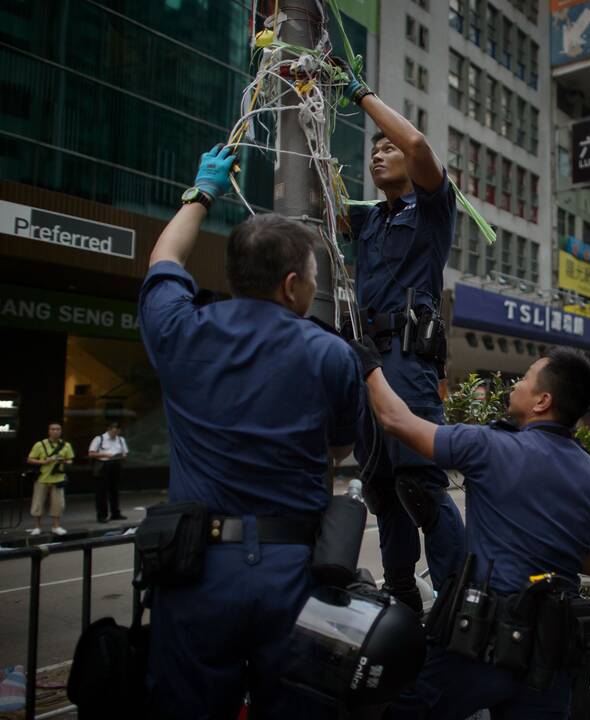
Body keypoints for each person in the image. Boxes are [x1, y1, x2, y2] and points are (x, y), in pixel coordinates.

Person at [137, 145, 363, 719]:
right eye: (313, 279)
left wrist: (202, 189)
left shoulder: (178, 331)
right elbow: (337, 449)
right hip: (291, 573)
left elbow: (164, 258)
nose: (314, 289)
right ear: (292, 286)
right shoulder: (332, 356)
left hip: (194, 571)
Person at [354, 338, 590, 718]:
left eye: (526, 379)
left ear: (542, 401)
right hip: (550, 655)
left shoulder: (488, 446)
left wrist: (368, 364)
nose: (515, 384)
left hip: (476, 643)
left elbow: (396, 420)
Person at [341, 60, 464, 611]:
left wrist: (361, 93)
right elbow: (318, 196)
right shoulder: (367, 220)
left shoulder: (433, 207)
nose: (378, 154)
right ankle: (400, 599)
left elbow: (415, 143)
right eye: (372, 152)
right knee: (383, 491)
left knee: (420, 484)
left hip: (410, 362)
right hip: (366, 365)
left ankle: (459, 602)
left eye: (384, 149)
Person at [26, 422, 74, 536]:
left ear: (61, 431)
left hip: (58, 478)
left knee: (58, 504)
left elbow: (70, 460)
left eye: (58, 429)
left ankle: (56, 526)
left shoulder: (66, 445)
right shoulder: (40, 444)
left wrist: (64, 461)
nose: (55, 431)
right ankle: (37, 527)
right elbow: (30, 459)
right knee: (38, 503)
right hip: (42, 478)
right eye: (53, 429)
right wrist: (43, 461)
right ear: (49, 431)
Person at [88, 422, 129, 522]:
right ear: (109, 429)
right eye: (113, 431)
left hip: (116, 464)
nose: (114, 433)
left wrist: (122, 456)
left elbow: (125, 453)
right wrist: (105, 455)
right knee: (101, 492)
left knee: (114, 491)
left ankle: (115, 513)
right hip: (103, 465)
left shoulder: (120, 439)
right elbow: (91, 453)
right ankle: (102, 515)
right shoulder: (99, 439)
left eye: (117, 431)